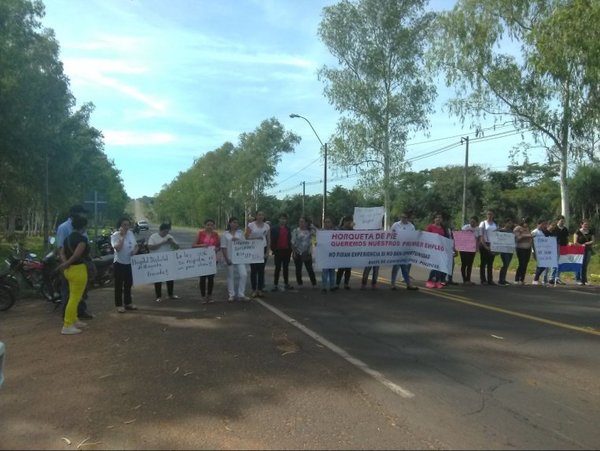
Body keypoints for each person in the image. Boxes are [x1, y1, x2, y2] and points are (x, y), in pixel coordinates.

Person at [56, 205, 94, 320]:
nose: (84, 215)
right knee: (68, 292)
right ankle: (67, 316)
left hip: (81, 263)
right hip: (71, 265)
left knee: (82, 291)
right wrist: (66, 264)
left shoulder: (82, 228)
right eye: (82, 213)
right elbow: (60, 247)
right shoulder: (63, 227)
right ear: (75, 214)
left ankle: (80, 312)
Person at [111, 217, 139, 313]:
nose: (126, 227)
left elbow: (136, 246)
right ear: (120, 226)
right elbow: (118, 248)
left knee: (128, 284)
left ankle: (128, 303)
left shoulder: (131, 233)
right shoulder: (115, 235)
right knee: (118, 285)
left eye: (128, 225)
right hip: (119, 263)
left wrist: (134, 252)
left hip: (129, 263)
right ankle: (119, 305)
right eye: (124, 225)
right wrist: (122, 236)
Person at [147, 223, 180, 302]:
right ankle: (158, 296)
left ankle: (170, 294)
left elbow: (177, 247)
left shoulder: (169, 237)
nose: (166, 233)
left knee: (170, 278)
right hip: (157, 261)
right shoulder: (153, 236)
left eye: (167, 232)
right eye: (165, 232)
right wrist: (163, 242)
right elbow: (150, 247)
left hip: (168, 260)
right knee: (158, 279)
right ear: (160, 230)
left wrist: (173, 243)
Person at [221, 217, 249, 302]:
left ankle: (241, 294)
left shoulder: (240, 233)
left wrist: (238, 240)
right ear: (229, 223)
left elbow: (245, 245)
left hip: (239, 258)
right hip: (229, 258)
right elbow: (223, 247)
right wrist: (226, 259)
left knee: (243, 274)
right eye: (233, 222)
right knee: (230, 276)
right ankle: (231, 295)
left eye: (236, 222)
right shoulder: (225, 234)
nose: (235, 224)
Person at [192, 219, 220, 303]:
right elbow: (193, 245)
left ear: (214, 226)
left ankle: (210, 296)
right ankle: (203, 296)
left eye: (212, 225)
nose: (210, 226)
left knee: (211, 278)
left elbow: (219, 246)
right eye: (208, 225)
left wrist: (216, 248)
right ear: (204, 225)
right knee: (203, 278)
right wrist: (202, 245)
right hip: (202, 260)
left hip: (212, 259)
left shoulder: (216, 234)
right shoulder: (200, 233)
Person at [390, 213, 419, 291]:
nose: (403, 218)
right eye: (402, 217)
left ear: (408, 218)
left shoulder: (411, 226)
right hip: (397, 249)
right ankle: (392, 284)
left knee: (405, 268)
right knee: (395, 267)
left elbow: (413, 237)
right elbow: (390, 235)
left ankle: (408, 284)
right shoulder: (395, 225)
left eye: (405, 217)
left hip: (406, 250)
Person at [245, 211, 270, 298]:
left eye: (262, 214)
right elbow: (246, 237)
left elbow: (268, 239)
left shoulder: (267, 226)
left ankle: (260, 289)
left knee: (261, 270)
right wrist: (256, 238)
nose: (261, 216)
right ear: (256, 216)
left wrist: (267, 251)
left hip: (262, 249)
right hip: (253, 250)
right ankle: (253, 290)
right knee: (254, 271)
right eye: (259, 215)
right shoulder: (251, 225)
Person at [292, 217, 318, 288]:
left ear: (306, 223)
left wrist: (312, 227)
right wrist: (294, 252)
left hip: (307, 252)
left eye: (303, 222)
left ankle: (314, 283)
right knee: (298, 269)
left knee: (310, 269)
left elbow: (314, 241)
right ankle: (300, 283)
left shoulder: (310, 231)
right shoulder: (296, 231)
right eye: (300, 222)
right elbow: (293, 242)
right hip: (298, 252)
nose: (301, 223)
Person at [270, 213, 293, 291]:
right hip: (278, 251)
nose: (283, 220)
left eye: (284, 219)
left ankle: (286, 283)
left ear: (286, 220)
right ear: (279, 219)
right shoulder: (274, 228)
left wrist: (291, 250)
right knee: (278, 268)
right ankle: (275, 284)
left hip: (287, 251)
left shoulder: (288, 228)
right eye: (281, 218)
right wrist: (273, 249)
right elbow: (272, 240)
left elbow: (290, 240)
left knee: (286, 268)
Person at [425, 213, 446, 288]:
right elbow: (426, 237)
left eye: (440, 217)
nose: (438, 219)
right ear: (434, 219)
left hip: (440, 250)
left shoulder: (443, 228)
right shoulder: (430, 227)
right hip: (432, 249)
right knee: (434, 266)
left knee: (439, 266)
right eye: (437, 217)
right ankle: (430, 280)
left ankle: (437, 281)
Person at [334, 215, 354, 290]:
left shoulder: (353, 230)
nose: (349, 224)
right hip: (342, 252)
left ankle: (346, 284)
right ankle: (337, 284)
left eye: (350, 222)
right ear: (344, 222)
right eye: (348, 222)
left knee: (348, 269)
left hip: (349, 253)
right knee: (341, 269)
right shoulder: (339, 230)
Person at [479, 209, 498, 285]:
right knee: (483, 263)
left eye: (491, 214)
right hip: (484, 243)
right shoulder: (483, 223)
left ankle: (490, 280)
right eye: (488, 214)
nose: (490, 216)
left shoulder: (495, 224)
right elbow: (481, 235)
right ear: (486, 215)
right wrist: (485, 245)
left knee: (490, 263)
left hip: (492, 244)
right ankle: (483, 280)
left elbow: (497, 235)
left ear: (493, 215)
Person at [459, 216, 480, 285]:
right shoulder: (465, 227)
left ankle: (468, 279)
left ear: (477, 222)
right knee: (464, 264)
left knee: (470, 264)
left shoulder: (477, 229)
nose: (472, 223)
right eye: (471, 221)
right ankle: (464, 280)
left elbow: (478, 239)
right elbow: (460, 236)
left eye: (474, 222)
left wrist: (477, 248)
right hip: (464, 248)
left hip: (472, 248)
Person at [549, 215, 569, 284]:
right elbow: (548, 235)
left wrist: (567, 245)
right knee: (555, 262)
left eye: (563, 221)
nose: (563, 222)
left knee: (560, 262)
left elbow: (567, 238)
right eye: (561, 220)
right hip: (555, 246)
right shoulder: (554, 228)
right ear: (558, 221)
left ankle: (557, 277)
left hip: (563, 246)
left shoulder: (565, 229)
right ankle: (551, 277)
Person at [574, 219, 595, 286]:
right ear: (581, 224)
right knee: (579, 264)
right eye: (585, 224)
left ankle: (584, 280)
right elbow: (575, 242)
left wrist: (587, 243)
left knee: (585, 265)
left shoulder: (590, 231)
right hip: (579, 250)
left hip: (588, 250)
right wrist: (582, 245)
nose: (586, 225)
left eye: (587, 224)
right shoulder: (577, 232)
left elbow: (593, 240)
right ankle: (578, 279)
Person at [513, 217, 533, 284]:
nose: (526, 224)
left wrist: (530, 239)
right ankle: (516, 279)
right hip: (520, 248)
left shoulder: (527, 229)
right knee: (521, 263)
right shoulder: (517, 228)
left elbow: (530, 237)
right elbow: (518, 238)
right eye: (525, 222)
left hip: (528, 248)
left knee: (525, 264)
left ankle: (522, 279)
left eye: (528, 223)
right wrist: (527, 235)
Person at [319, 217, 337, 293]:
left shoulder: (335, 232)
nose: (327, 223)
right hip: (324, 255)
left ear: (331, 223)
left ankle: (332, 286)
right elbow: (316, 240)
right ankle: (324, 287)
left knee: (332, 271)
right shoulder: (321, 232)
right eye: (325, 222)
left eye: (328, 222)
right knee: (325, 272)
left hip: (332, 255)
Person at [531, 219, 550, 285]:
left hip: (543, 251)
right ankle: (535, 279)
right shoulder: (534, 232)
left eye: (545, 224)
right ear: (539, 224)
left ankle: (536, 278)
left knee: (544, 265)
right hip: (536, 251)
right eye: (543, 224)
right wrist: (534, 250)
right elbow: (532, 241)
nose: (544, 225)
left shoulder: (543, 232)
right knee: (541, 265)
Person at [497, 219, 515, 285]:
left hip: (510, 250)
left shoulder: (511, 231)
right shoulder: (501, 230)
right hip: (504, 250)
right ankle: (500, 280)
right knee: (505, 264)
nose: (510, 224)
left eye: (511, 223)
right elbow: (495, 236)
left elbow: (513, 240)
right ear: (505, 223)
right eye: (508, 223)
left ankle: (503, 279)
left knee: (507, 265)